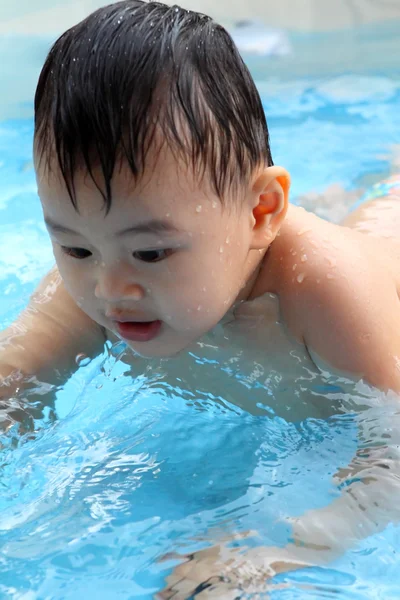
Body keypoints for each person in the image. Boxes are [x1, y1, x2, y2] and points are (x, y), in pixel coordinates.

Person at [1, 1, 400, 595]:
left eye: (152, 253)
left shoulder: (325, 294)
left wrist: (280, 547)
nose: (111, 291)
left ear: (260, 211)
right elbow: (11, 388)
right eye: (75, 249)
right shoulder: (97, 281)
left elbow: (391, 457)